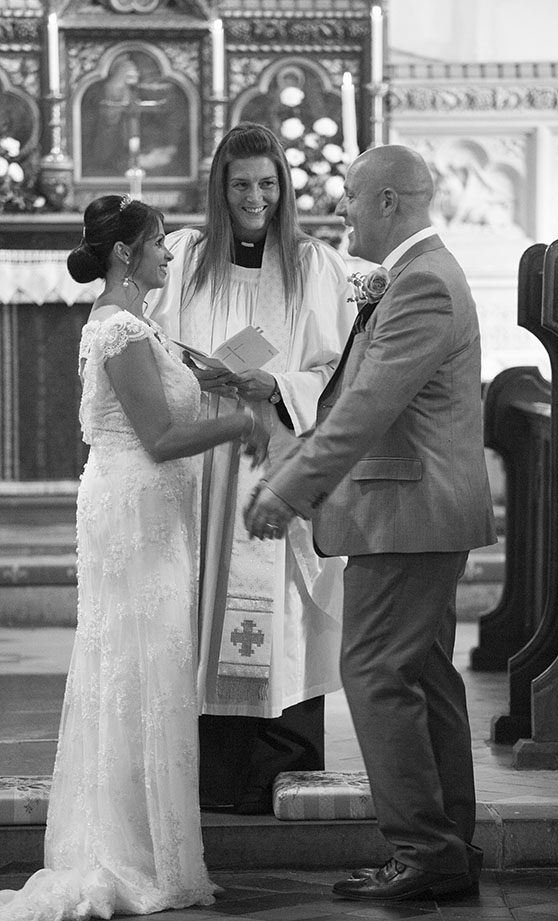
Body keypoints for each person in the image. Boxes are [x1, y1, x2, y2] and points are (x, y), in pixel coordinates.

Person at [0, 195, 268, 921]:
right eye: (158, 243)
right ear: (125, 253)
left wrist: (215, 376)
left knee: (146, 666)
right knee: (138, 667)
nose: (169, 253)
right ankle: (125, 849)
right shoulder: (119, 327)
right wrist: (239, 423)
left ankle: (145, 838)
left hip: (147, 511)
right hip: (136, 512)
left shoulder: (140, 325)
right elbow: (156, 436)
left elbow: (170, 389)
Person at [245, 144, 497, 902]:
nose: (341, 209)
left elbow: (364, 410)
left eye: (352, 196)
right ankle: (446, 844)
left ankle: (422, 848)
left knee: (377, 674)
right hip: (413, 511)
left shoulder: (422, 284)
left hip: (407, 513)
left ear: (388, 201)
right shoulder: (418, 276)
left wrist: (288, 488)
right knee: (421, 676)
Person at [145, 122, 355, 814]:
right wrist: (201, 370)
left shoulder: (314, 265)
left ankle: (280, 763)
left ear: (284, 186)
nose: (255, 197)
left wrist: (275, 386)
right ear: (220, 188)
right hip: (203, 461)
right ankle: (213, 772)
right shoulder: (184, 256)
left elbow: (332, 368)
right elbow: (151, 345)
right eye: (241, 185)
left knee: (283, 607)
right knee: (202, 598)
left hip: (274, 453)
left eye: (268, 184)